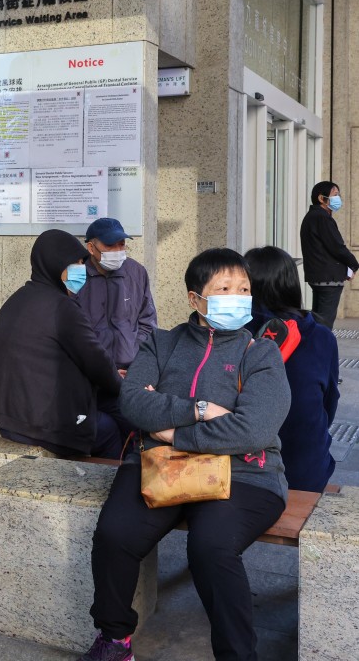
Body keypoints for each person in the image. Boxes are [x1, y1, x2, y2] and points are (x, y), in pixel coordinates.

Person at [81, 248, 291, 661]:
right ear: (195, 299)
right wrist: (198, 409)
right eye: (224, 288)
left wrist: (173, 432)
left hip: (245, 473)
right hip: (160, 465)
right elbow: (133, 403)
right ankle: (114, 638)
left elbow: (253, 430)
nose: (237, 296)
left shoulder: (260, 352)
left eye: (243, 288)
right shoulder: (161, 343)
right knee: (115, 535)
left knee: (211, 546)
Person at [0, 229, 124, 458]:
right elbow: (97, 362)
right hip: (43, 424)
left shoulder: (16, 299)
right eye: (77, 262)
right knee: (111, 428)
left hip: (6, 417)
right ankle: (107, 489)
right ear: (56, 264)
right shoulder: (63, 308)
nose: (83, 269)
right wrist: (122, 386)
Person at [245, 246, 338, 492]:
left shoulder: (235, 334)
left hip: (245, 471)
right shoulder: (321, 336)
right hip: (308, 472)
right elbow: (328, 405)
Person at [76, 217, 157, 370]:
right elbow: (71, 328)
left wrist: (136, 359)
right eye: (109, 245)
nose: (118, 251)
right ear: (91, 248)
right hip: (90, 371)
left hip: (129, 370)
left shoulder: (136, 272)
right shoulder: (77, 276)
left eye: (121, 244)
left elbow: (147, 322)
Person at [300, 180, 358, 328]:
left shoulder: (311, 217)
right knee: (324, 324)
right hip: (328, 278)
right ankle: (320, 349)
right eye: (335, 195)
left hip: (319, 277)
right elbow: (337, 246)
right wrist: (353, 263)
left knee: (318, 321)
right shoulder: (322, 218)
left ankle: (315, 348)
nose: (338, 198)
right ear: (321, 198)